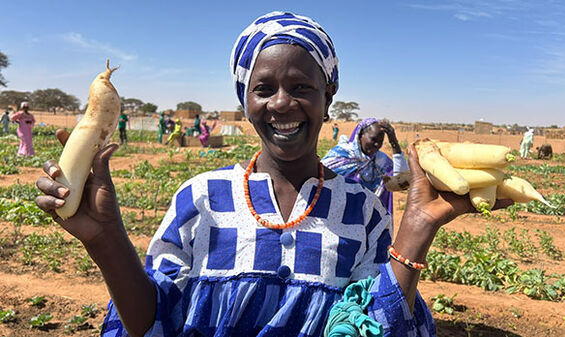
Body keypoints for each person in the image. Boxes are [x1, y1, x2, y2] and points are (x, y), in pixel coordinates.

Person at [35, 11, 512, 337]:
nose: (282, 103)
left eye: (302, 86)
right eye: (264, 89)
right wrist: (105, 239)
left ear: (329, 100)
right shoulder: (199, 197)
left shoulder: (361, 207)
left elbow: (369, 324)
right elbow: (151, 321)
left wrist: (415, 233)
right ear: (246, 104)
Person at [322, 118, 408, 218]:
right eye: (373, 139)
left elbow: (402, 182)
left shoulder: (381, 161)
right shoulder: (340, 156)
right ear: (359, 136)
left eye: (380, 141)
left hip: (367, 219)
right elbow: (319, 178)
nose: (377, 145)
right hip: (337, 216)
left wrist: (393, 141)